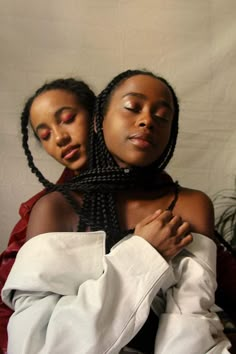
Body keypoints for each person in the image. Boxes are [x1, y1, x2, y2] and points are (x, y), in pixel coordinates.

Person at [2, 69, 232, 353]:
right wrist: (145, 252)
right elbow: (35, 344)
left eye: (163, 116)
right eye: (131, 107)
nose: (147, 120)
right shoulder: (52, 208)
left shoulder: (189, 204)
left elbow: (191, 322)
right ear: (102, 119)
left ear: (92, 118)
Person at [0, 77, 96, 353]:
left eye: (67, 119)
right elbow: (12, 307)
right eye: (45, 135)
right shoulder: (44, 212)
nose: (60, 138)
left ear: (97, 116)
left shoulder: (159, 191)